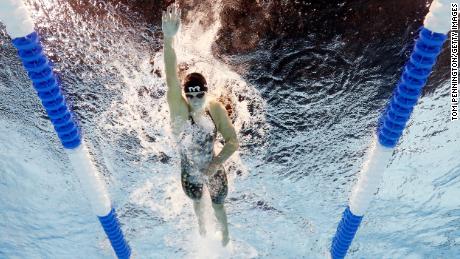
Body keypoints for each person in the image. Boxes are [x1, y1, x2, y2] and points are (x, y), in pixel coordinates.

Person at [161, 4, 239, 246]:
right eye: (190, 95)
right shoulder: (179, 106)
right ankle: (204, 234)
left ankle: (225, 238)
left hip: (213, 166)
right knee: (197, 204)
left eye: (199, 95)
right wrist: (168, 38)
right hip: (189, 170)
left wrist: (216, 163)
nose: (195, 99)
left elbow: (233, 142)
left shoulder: (213, 106)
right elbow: (171, 77)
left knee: (219, 205)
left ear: (205, 92)